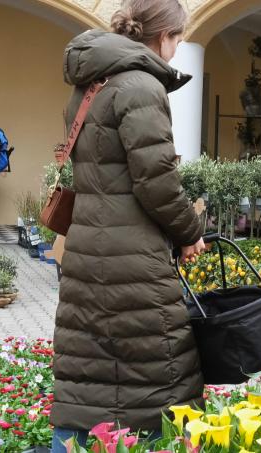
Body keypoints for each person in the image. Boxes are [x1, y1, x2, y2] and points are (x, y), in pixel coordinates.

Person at [50, 1, 207, 450]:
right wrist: (190, 231)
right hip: (133, 256)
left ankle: (73, 442)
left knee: (88, 357)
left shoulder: (91, 84)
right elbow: (156, 181)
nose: (176, 51)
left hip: (87, 249)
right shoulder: (140, 85)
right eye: (177, 39)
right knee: (155, 368)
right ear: (163, 36)